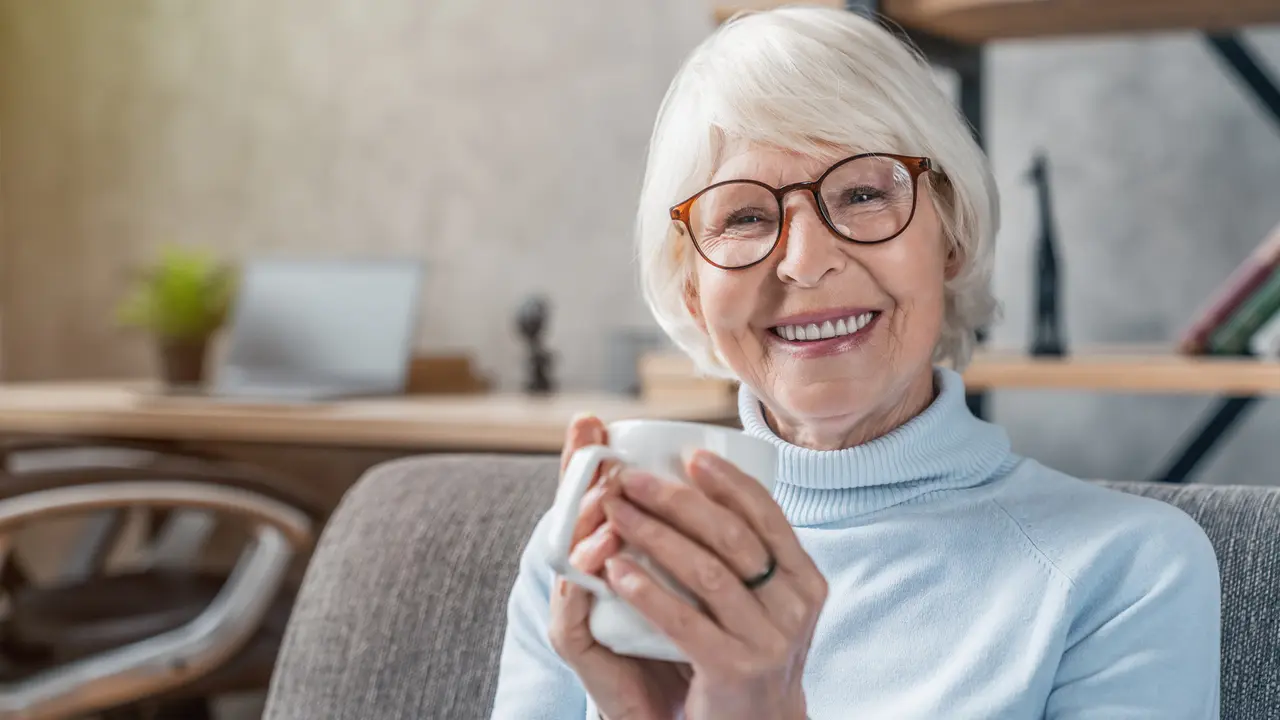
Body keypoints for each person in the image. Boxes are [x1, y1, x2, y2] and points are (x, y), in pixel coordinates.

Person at [490, 6, 1221, 719]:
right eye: (745, 215)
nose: (805, 264)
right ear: (692, 285)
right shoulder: (590, 552)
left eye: (865, 193)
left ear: (952, 237)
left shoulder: (1133, 571)